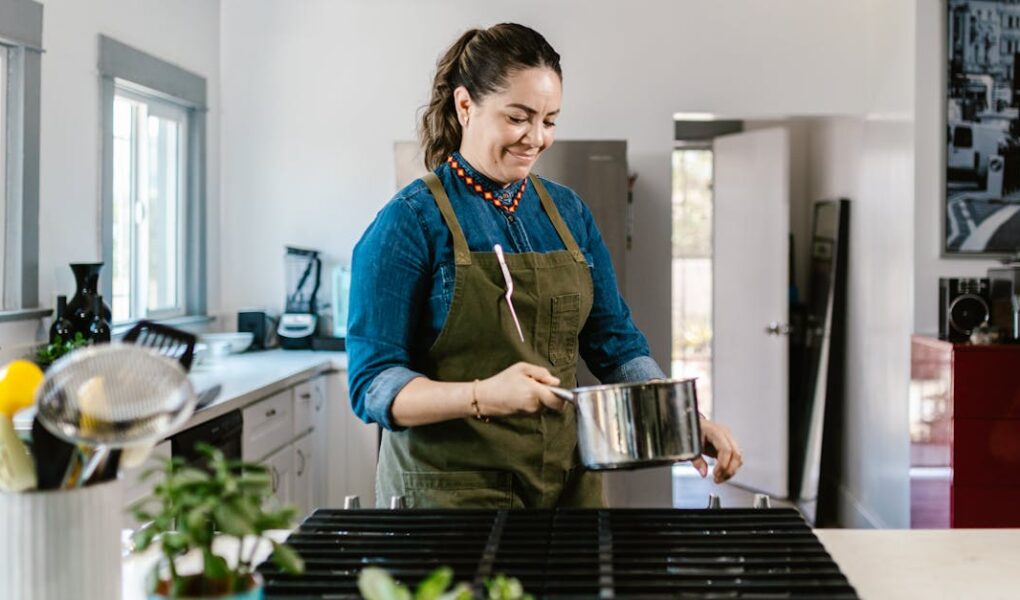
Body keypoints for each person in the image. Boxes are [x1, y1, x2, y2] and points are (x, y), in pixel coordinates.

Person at [348, 23, 742, 508]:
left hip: (565, 490)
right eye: (518, 117)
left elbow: (615, 343)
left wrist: (681, 420)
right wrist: (482, 395)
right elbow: (374, 384)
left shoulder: (568, 212)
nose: (536, 138)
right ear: (465, 105)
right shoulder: (409, 221)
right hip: (449, 499)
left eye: (550, 120)